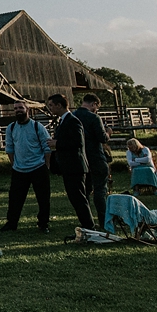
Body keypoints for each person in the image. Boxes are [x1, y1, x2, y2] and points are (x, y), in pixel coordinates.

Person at [0, 101, 52, 233]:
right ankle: (11, 223)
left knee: (43, 198)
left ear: (27, 109)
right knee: (15, 198)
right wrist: (14, 164)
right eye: (15, 108)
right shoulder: (10, 128)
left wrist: (46, 165)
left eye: (21, 108)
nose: (18, 110)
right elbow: (9, 148)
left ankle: (43, 224)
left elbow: (47, 147)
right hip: (19, 169)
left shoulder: (37, 127)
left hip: (38, 167)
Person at [46, 93, 94, 229]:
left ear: (59, 105)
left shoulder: (73, 121)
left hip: (75, 167)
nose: (50, 108)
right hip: (68, 167)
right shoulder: (63, 120)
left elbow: (78, 142)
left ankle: (89, 226)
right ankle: (86, 225)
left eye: (51, 105)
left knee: (79, 198)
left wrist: (57, 143)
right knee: (75, 198)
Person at [75, 93, 113, 228]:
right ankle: (104, 220)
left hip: (80, 159)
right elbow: (102, 138)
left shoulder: (72, 116)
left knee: (84, 191)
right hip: (96, 157)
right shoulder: (94, 117)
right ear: (93, 104)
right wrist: (108, 132)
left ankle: (87, 221)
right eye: (97, 107)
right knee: (100, 190)